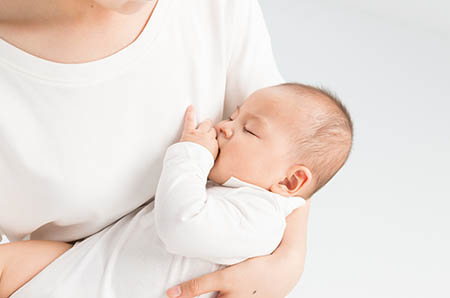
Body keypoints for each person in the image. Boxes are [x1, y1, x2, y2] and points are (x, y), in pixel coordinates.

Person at [0, 1, 311, 297]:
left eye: (244, 124)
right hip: (69, 265)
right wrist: (191, 154)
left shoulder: (216, 9)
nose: (224, 126)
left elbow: (292, 146)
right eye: (232, 117)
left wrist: (288, 261)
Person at [0, 83, 353, 298]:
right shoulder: (231, 193)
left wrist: (191, 154)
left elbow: (181, 224)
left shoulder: (261, 220)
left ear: (291, 182)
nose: (225, 127)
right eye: (234, 115)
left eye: (250, 130)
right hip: (75, 269)